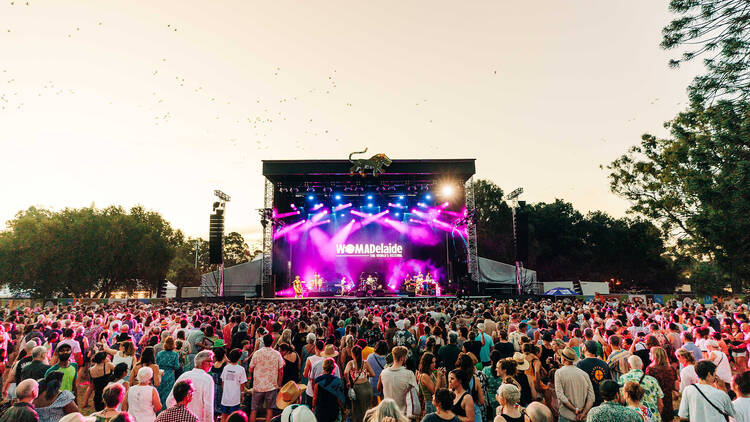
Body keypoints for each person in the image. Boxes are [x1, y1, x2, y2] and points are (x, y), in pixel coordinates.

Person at [166, 350, 215, 422]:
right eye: (210, 361)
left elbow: (169, 401)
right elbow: (208, 408)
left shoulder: (184, 375)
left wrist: (176, 415)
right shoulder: (207, 379)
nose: (212, 364)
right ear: (203, 362)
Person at [249, 334, 285, 422]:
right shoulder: (277, 354)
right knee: (269, 410)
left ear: (263, 342)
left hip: (258, 385)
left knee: (254, 410)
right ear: (273, 342)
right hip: (271, 386)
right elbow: (281, 371)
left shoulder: (257, 353)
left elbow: (250, 369)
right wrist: (279, 384)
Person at [554, 347, 594, 422]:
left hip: (566, 416)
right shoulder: (584, 374)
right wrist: (583, 413)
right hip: (582, 417)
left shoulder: (559, 373)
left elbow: (560, 395)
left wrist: (575, 409)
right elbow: (591, 397)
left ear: (563, 359)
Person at [617, 356, 663, 422]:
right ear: (642, 365)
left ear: (629, 365)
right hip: (652, 416)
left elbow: (622, 401)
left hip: (632, 417)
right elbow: (660, 404)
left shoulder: (623, 379)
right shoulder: (652, 380)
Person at [379, 346, 417, 412]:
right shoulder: (409, 374)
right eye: (406, 357)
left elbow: (379, 388)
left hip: (388, 412)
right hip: (403, 413)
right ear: (402, 358)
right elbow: (416, 392)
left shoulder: (383, 372)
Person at [644, 347, 676, 422]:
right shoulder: (671, 368)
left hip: (656, 397)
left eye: (650, 353)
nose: (649, 353)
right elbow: (675, 384)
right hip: (668, 397)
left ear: (654, 355)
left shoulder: (650, 369)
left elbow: (649, 384)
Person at [345, 345, 375, 422]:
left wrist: (348, 381)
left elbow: (345, 372)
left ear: (353, 354)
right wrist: (364, 374)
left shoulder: (351, 363)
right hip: (367, 387)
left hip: (358, 388)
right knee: (368, 409)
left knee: (357, 410)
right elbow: (373, 374)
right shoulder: (365, 362)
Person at [576, 341, 611, 407]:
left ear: (585, 348)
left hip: (588, 400)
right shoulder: (604, 364)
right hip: (603, 400)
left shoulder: (581, 364)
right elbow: (608, 381)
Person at [314, 358, 345, 422]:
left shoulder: (318, 380)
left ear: (323, 367)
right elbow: (339, 398)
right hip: (333, 410)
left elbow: (315, 397)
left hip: (321, 410)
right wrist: (343, 409)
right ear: (333, 368)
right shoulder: (337, 381)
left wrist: (313, 407)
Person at [220, 349, 247, 422]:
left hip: (225, 397)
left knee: (224, 415)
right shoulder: (241, 369)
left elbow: (223, 382)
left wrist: (225, 392)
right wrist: (242, 395)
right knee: (234, 417)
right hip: (235, 398)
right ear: (239, 357)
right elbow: (242, 385)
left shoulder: (226, 368)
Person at [156, 337, 180, 408]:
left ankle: (159, 409)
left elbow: (156, 364)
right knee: (168, 394)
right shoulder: (175, 354)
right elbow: (176, 366)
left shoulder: (159, 354)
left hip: (160, 374)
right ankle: (167, 409)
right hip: (170, 375)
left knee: (159, 392)